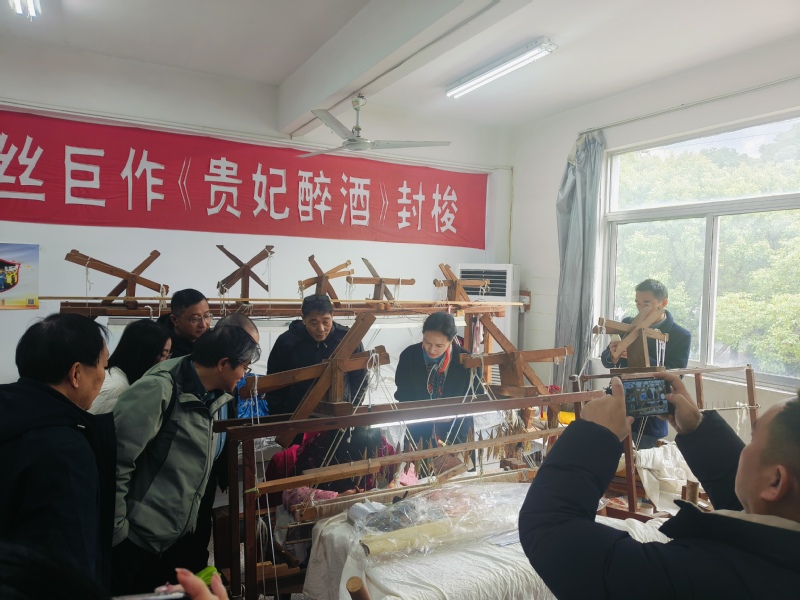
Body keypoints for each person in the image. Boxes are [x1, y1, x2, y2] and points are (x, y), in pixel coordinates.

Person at [519, 373, 800, 599]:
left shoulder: (698, 577)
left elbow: (551, 529)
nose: (745, 448)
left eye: (753, 439)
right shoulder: (781, 554)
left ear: (775, 481)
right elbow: (758, 516)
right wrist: (699, 431)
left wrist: (594, 435)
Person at [110, 325, 261, 595]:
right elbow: (116, 462)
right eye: (244, 367)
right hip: (139, 538)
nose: (244, 375)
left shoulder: (213, 393)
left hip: (175, 535)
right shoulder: (158, 389)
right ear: (223, 364)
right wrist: (119, 532)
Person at [0, 314, 115, 592]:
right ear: (76, 374)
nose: (104, 376)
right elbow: (68, 564)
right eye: (104, 366)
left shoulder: (11, 412)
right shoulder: (64, 448)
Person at [601, 278, 691, 448]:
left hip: (651, 415)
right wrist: (613, 354)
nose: (641, 308)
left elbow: (675, 374)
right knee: (610, 460)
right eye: (638, 303)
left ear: (663, 303)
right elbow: (606, 360)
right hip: (618, 409)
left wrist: (638, 357)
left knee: (642, 463)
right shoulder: (628, 324)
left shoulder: (680, 335)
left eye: (647, 304)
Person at [265, 294, 366, 416]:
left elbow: (360, 379)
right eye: (314, 323)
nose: (321, 329)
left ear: (332, 316)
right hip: (297, 415)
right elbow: (274, 384)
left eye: (326, 322)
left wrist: (352, 408)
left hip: (338, 414)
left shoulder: (348, 339)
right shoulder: (287, 342)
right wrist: (279, 417)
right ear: (303, 319)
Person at [394, 311, 476, 447]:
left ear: (451, 340)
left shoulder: (467, 361)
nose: (431, 350)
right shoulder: (409, 356)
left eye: (439, 346)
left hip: (457, 431)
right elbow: (402, 394)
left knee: (455, 460)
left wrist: (452, 413)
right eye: (427, 342)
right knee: (421, 460)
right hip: (419, 431)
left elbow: (475, 396)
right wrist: (422, 412)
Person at [89, 319, 172, 414]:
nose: (166, 362)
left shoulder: (126, 382)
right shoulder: (115, 388)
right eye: (162, 355)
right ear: (143, 354)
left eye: (168, 355)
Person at [158, 288, 213, 358]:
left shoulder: (214, 340)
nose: (203, 324)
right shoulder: (161, 348)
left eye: (206, 316)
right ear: (175, 320)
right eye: (195, 319)